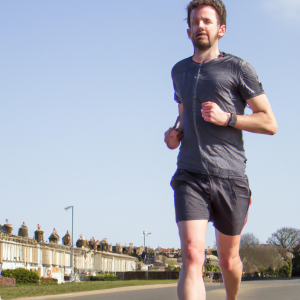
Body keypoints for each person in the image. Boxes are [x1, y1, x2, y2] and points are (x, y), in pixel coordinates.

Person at [164, 1, 277, 299]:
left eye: (207, 21)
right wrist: (175, 134)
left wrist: (227, 118)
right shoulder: (179, 71)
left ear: (221, 29)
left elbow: (269, 122)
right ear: (188, 30)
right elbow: (183, 114)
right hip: (190, 174)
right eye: (195, 21)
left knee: (228, 260)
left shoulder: (239, 68)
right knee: (191, 254)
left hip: (231, 178)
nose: (200, 25)